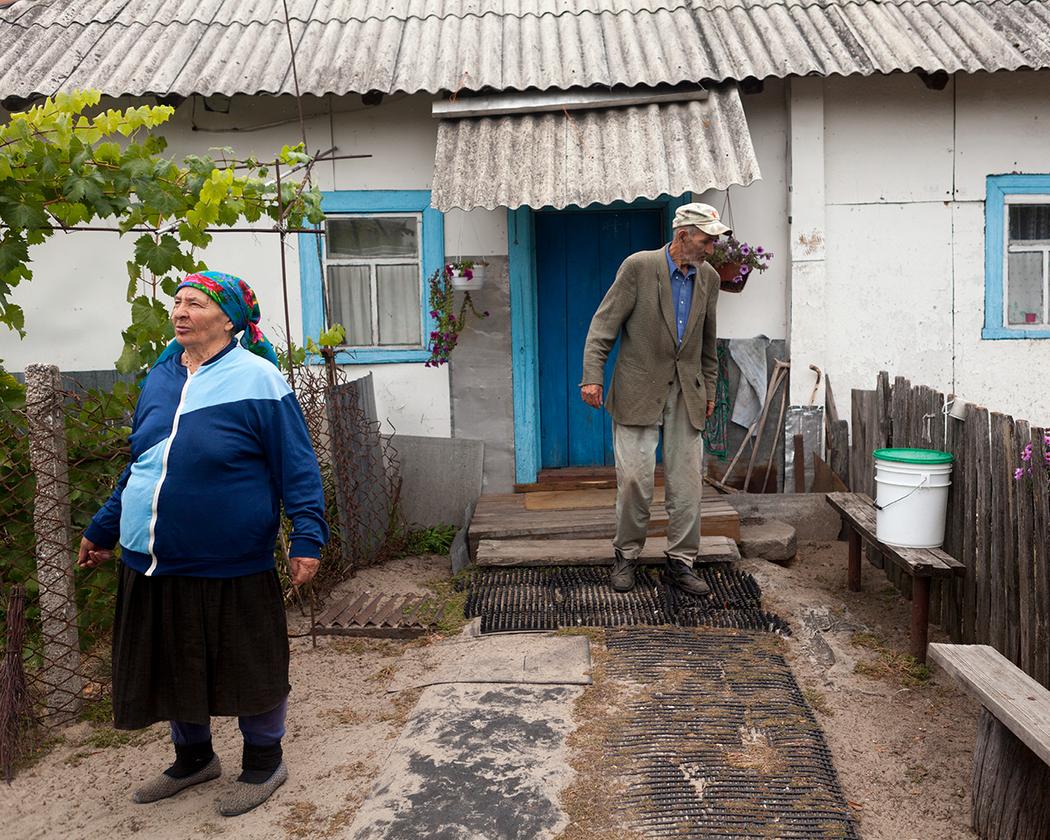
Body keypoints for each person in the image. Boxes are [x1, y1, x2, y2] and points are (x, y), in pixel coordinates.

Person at [77, 270, 328, 817]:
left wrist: (307, 537)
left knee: (248, 664)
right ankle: (193, 758)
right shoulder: (162, 376)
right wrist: (102, 527)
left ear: (228, 317)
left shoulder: (258, 378)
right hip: (149, 556)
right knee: (171, 660)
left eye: (193, 302)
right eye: (177, 302)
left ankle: (264, 762)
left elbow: (297, 466)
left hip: (231, 559)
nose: (179, 311)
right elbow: (142, 464)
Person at [580, 202, 728, 596]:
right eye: (706, 239)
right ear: (683, 236)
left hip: (687, 391)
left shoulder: (709, 278)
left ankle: (681, 561)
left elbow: (708, 343)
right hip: (638, 387)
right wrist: (592, 376)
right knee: (634, 480)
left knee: (687, 482)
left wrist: (710, 390)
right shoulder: (639, 267)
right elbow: (603, 325)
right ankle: (626, 555)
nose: (710, 247)